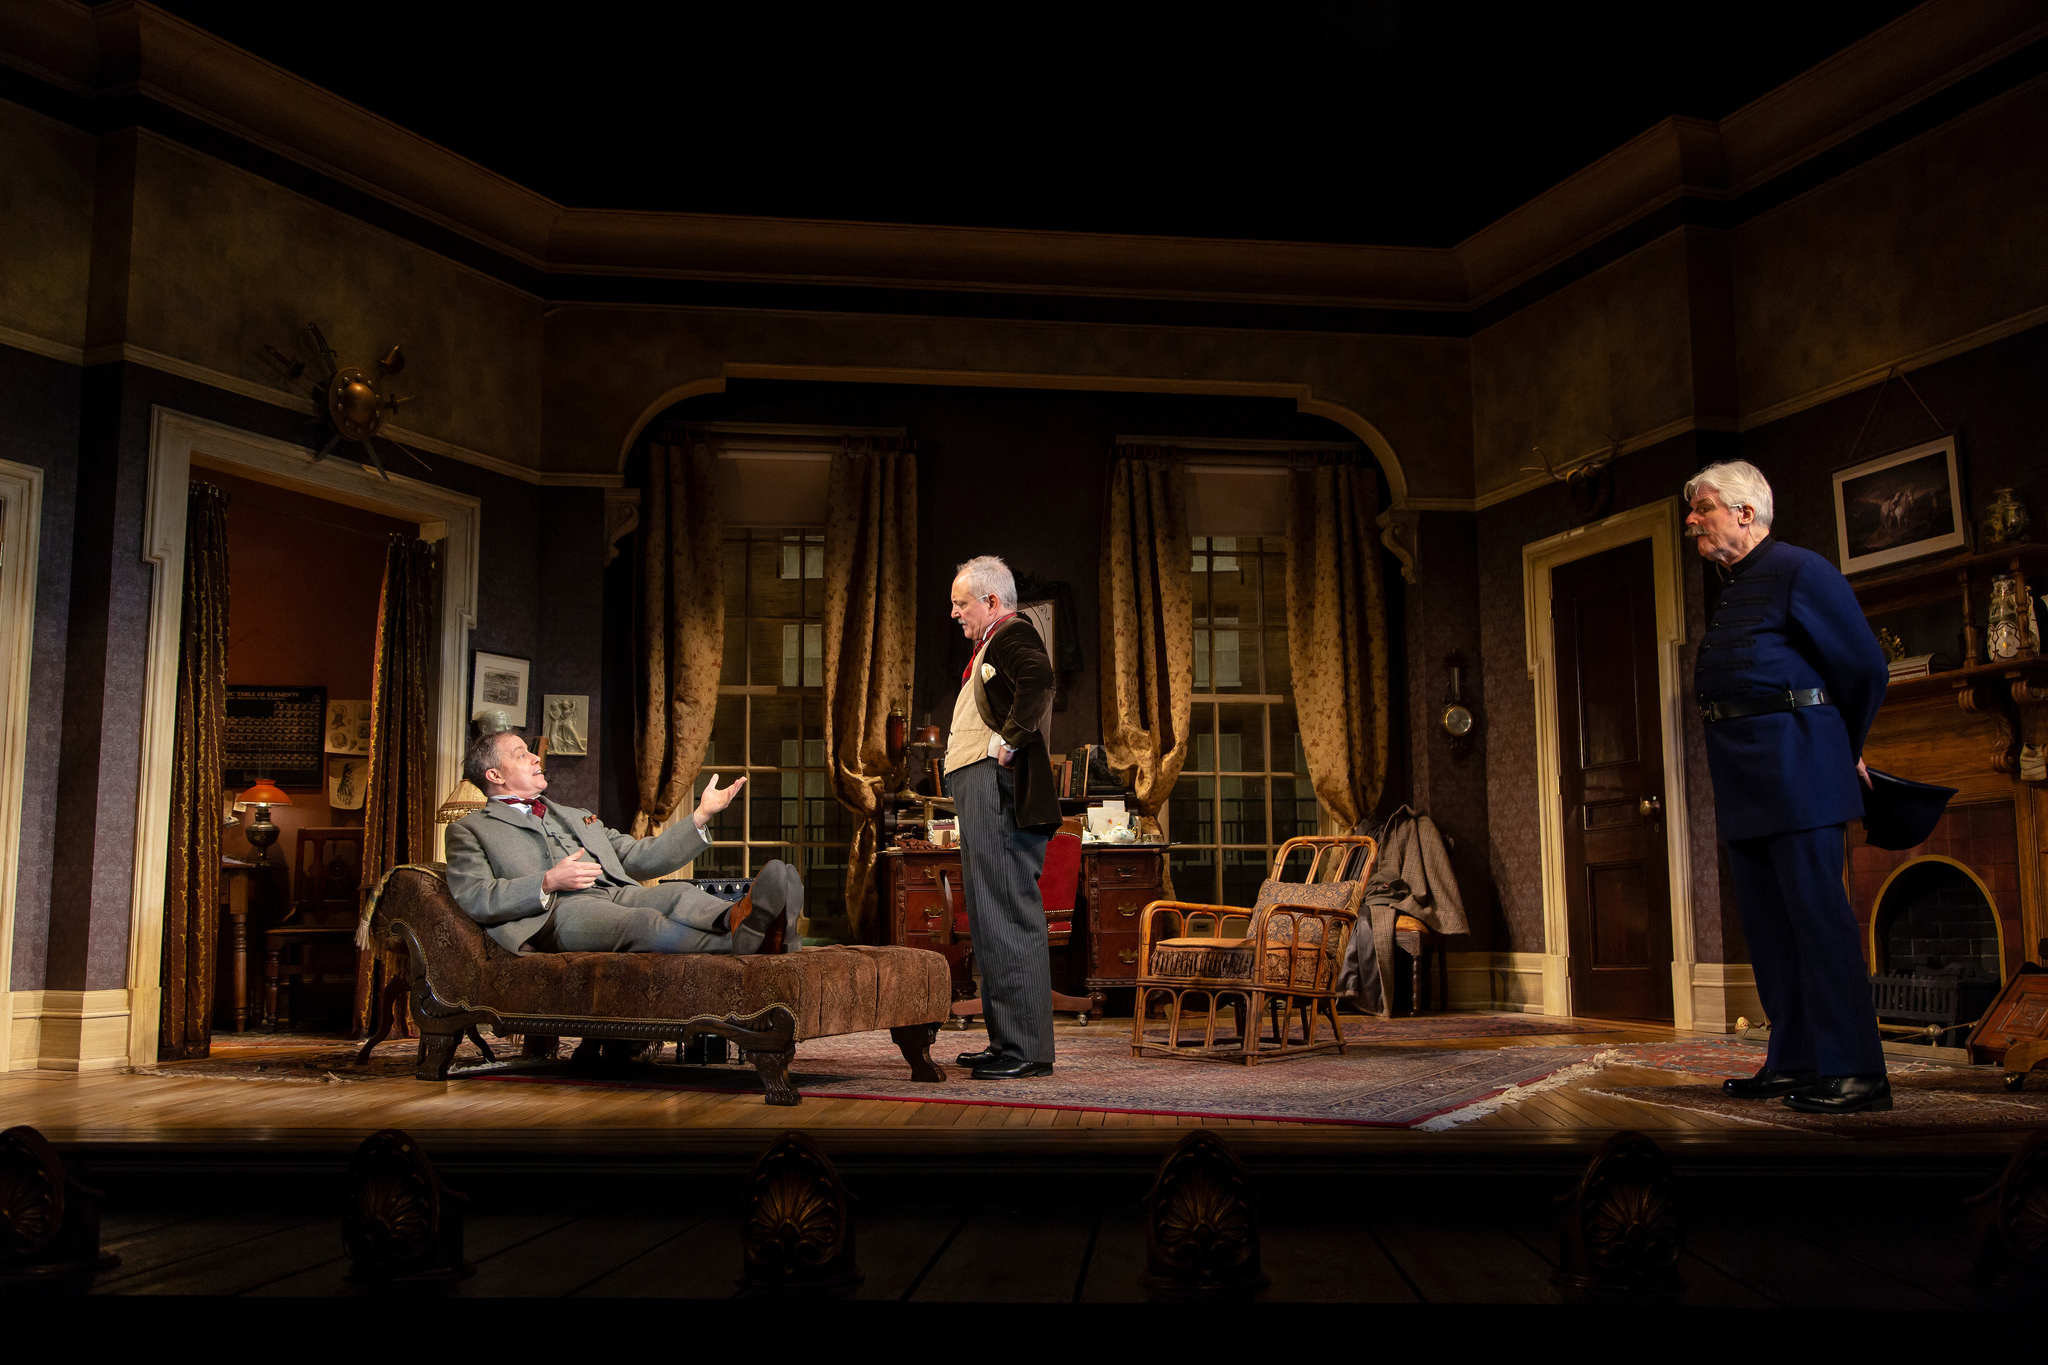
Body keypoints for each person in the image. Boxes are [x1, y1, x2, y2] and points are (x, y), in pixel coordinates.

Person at [1685, 460, 1891, 1113]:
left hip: (1801, 770)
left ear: (1746, 513)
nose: (1691, 519)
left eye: (1704, 508)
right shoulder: (1732, 586)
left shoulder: (1802, 570)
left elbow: (1865, 668)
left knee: (1819, 923)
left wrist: (1842, 750)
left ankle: (1856, 1071)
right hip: (1743, 777)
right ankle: (1795, 1058)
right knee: (1769, 929)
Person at [444, 728, 801, 957]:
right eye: (521, 754)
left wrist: (700, 816)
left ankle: (738, 918)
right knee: (643, 923)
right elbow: (476, 896)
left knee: (678, 894)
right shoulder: (470, 830)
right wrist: (547, 881)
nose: (536, 757)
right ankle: (752, 942)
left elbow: (636, 856)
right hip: (556, 914)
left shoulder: (574, 815)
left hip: (618, 893)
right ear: (495, 775)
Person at [944, 555, 1061, 1079]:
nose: (955, 613)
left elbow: (1039, 678)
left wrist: (1009, 742)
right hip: (979, 789)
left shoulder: (1013, 634)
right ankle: (1005, 1041)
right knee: (990, 918)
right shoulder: (990, 643)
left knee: (1009, 914)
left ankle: (1027, 1050)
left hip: (997, 790)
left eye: (961, 603)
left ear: (991, 601)